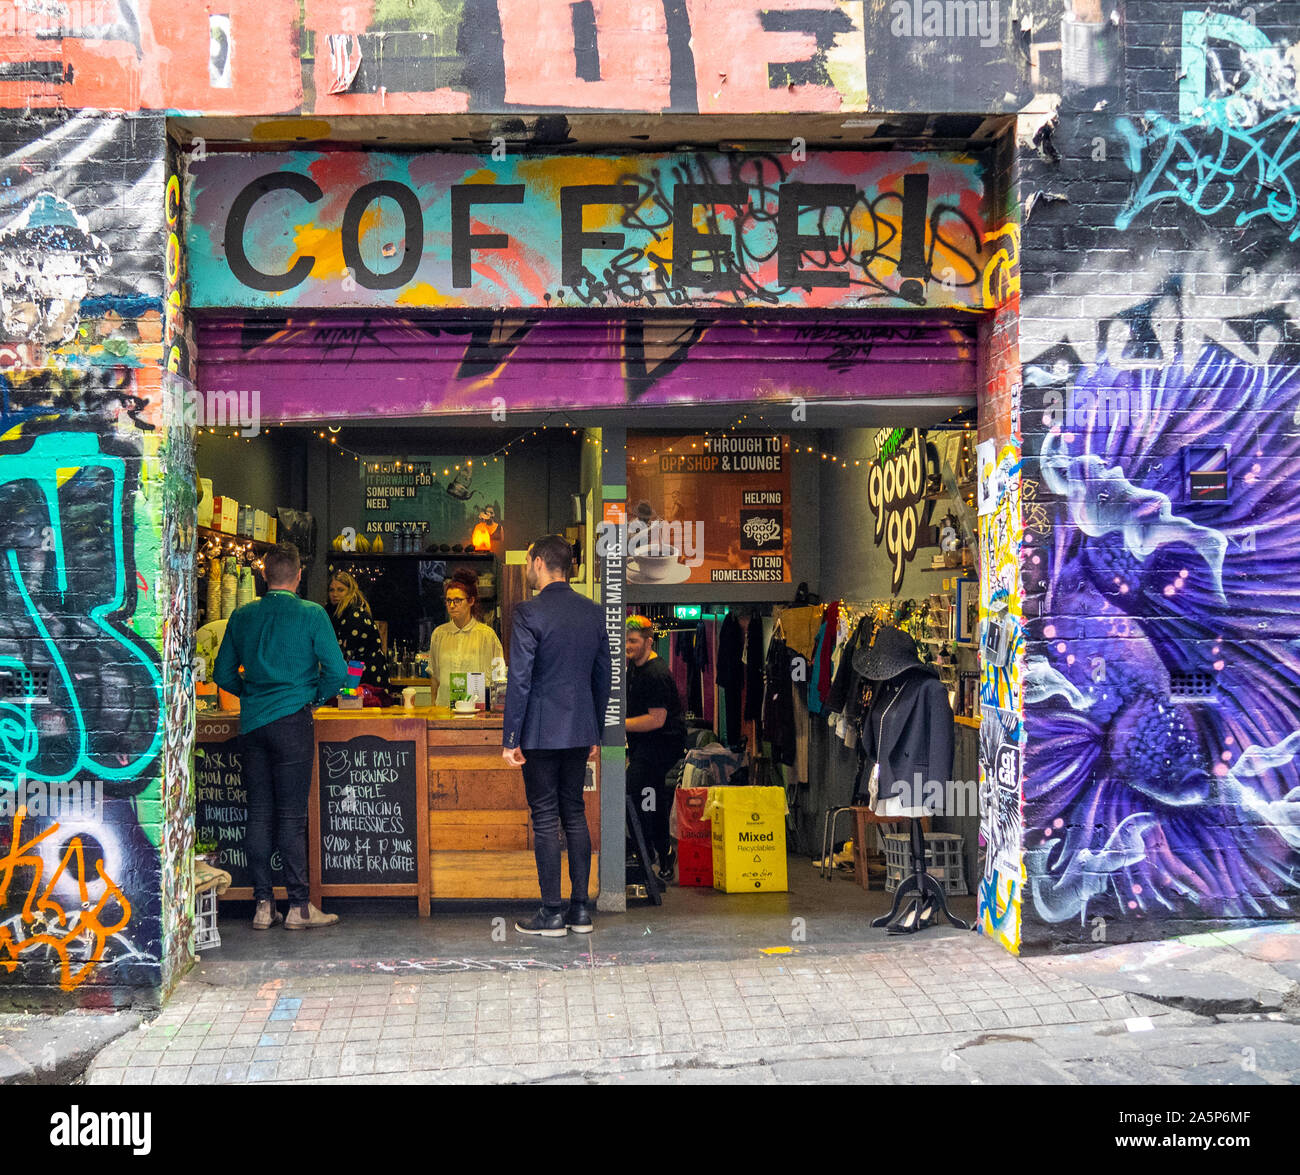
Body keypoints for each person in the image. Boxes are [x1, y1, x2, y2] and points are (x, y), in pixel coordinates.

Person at [214, 542, 348, 931]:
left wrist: (253, 696)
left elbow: (223, 675)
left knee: (258, 813)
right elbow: (337, 672)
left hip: (253, 726)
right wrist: (314, 698)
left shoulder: (242, 615)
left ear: (262, 576)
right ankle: (300, 909)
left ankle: (261, 905)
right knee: (291, 817)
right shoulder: (313, 614)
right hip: (293, 723)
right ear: (300, 576)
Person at [502, 535, 612, 937]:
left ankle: (551, 913)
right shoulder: (593, 613)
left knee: (546, 817)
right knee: (575, 813)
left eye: (529, 562)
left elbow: (520, 679)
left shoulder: (528, 613)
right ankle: (580, 910)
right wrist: (595, 728)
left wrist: (510, 737)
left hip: (539, 731)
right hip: (580, 728)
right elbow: (604, 677)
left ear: (537, 562)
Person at [624, 615, 687, 883]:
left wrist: (618, 725)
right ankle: (656, 850)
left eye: (634, 641)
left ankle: (653, 849)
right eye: (626, 640)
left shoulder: (657, 674)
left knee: (636, 792)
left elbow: (656, 719)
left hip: (662, 744)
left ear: (649, 642)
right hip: (645, 745)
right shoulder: (634, 668)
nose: (628, 645)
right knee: (649, 798)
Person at [428, 568, 504, 707]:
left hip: (476, 712)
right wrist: (433, 706)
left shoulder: (487, 636)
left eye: (457, 600)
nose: (452, 605)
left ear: (471, 601)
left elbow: (499, 679)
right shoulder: (439, 634)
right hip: (444, 711)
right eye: (448, 600)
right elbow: (435, 678)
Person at [327, 570, 390, 692]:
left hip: (365, 675)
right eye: (331, 590)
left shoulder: (353, 614)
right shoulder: (344, 613)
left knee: (363, 706)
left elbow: (344, 651)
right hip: (362, 672)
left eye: (340, 590)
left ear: (350, 591)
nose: (335, 594)